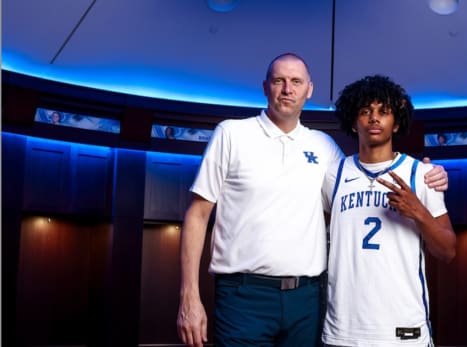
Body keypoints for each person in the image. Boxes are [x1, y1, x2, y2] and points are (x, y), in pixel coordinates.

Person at [176, 53, 449, 347]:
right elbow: (197, 214)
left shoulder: (325, 148)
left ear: (309, 90)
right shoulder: (232, 133)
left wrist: (430, 175)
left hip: (306, 298)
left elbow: (364, 178)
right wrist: (189, 295)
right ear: (265, 86)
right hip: (244, 294)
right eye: (279, 80)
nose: (287, 89)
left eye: (296, 81)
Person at [321, 75, 456, 346]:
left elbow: (448, 251)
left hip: (403, 329)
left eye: (384, 112)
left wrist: (418, 212)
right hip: (343, 330)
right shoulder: (333, 175)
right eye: (365, 111)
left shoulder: (423, 173)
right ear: (352, 121)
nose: (374, 118)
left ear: (396, 123)